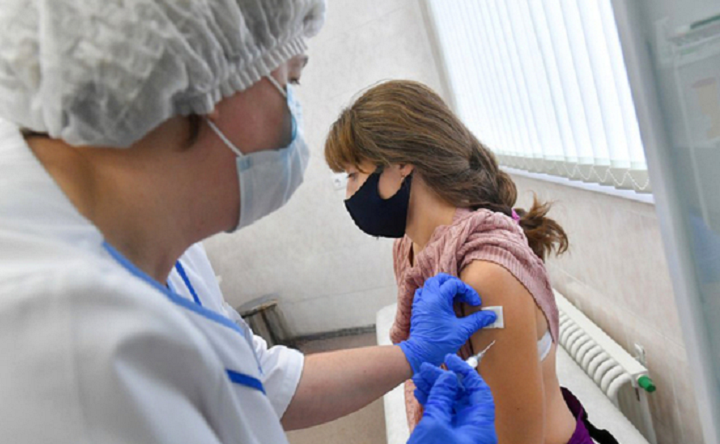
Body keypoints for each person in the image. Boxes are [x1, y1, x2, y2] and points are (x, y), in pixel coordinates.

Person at [0, 2, 499, 443]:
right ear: (200, 80)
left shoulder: (143, 236)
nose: (294, 114)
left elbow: (256, 380)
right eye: (289, 82)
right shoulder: (59, 352)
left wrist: (412, 355)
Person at [325, 80, 607, 444]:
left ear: (402, 163)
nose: (349, 193)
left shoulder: (486, 275)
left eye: (353, 175)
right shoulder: (408, 247)